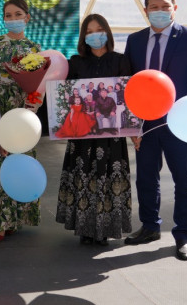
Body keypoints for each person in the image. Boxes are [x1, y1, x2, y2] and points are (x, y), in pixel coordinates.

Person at [124, 0, 187, 261]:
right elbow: (129, 84)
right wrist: (132, 125)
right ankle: (150, 226)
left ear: (175, 8)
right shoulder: (135, 41)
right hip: (146, 123)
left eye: (165, 6)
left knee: (185, 181)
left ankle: (183, 235)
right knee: (145, 178)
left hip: (181, 122)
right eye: (153, 7)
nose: (159, 11)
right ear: (145, 11)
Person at [55, 13, 133, 246]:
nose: (95, 35)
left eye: (99, 30)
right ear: (83, 37)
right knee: (83, 177)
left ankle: (104, 230)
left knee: (108, 179)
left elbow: (128, 95)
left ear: (107, 32)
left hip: (112, 135)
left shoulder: (121, 60)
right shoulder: (75, 62)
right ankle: (85, 229)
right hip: (83, 134)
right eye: (89, 32)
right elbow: (66, 95)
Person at [0, 0, 41, 243]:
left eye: (18, 14)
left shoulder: (34, 48)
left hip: (22, 112)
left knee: (20, 162)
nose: (13, 19)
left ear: (27, 18)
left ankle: (14, 220)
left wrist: (34, 103)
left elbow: (38, 84)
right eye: (8, 15)